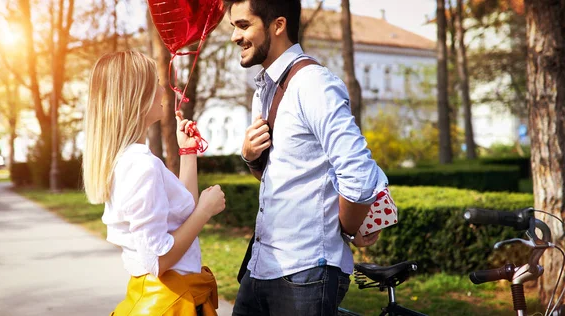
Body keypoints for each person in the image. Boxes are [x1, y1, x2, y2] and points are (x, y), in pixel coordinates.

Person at [224, 0, 390, 315]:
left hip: (305, 270)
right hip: (261, 265)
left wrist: (352, 229)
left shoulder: (313, 83)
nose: (234, 36)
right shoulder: (264, 90)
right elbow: (288, 173)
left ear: (278, 25)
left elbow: (360, 175)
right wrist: (250, 157)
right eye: (234, 26)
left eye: (243, 25)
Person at [82, 50, 226, 315]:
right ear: (136, 97)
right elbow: (158, 260)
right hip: (171, 301)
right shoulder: (141, 166)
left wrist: (188, 152)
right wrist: (206, 210)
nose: (163, 90)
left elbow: (181, 213)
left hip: (173, 296)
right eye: (155, 84)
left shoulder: (129, 160)